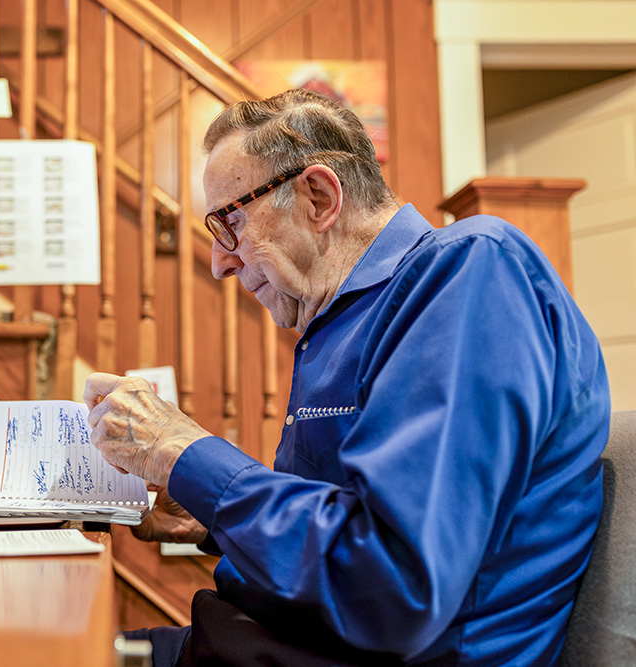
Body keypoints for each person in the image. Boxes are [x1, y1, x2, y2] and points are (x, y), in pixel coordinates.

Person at [84, 88, 610, 667]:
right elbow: (348, 517)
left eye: (229, 221)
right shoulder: (339, 320)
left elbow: (394, 587)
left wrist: (183, 452)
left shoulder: (468, 270)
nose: (219, 260)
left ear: (318, 196)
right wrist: (209, 509)